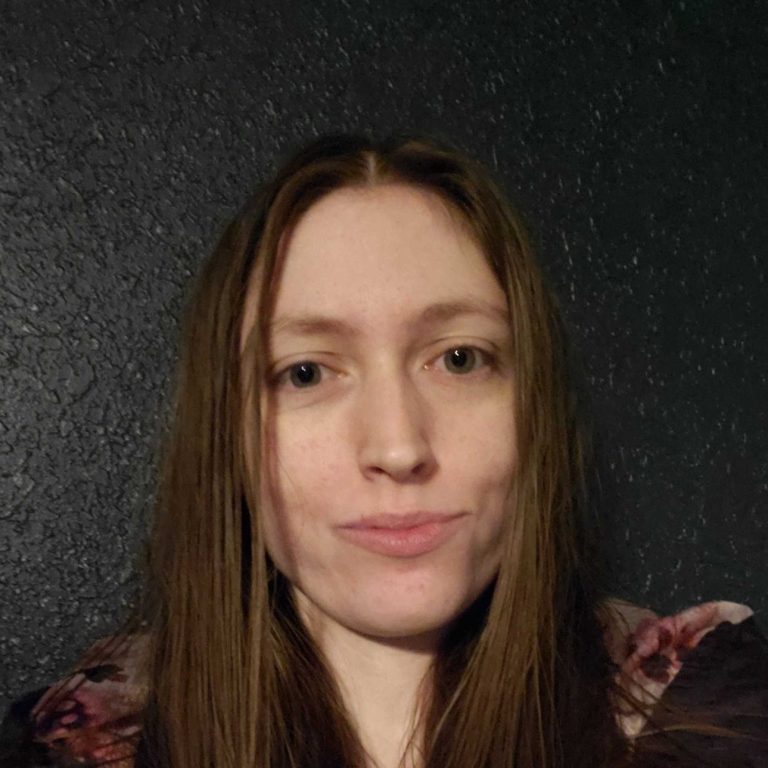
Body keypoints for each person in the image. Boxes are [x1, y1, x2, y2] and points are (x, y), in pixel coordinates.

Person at [1, 134, 766, 768]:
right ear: (226, 437)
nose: (398, 447)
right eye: (306, 372)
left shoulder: (699, 713)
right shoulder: (83, 742)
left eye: (459, 359)